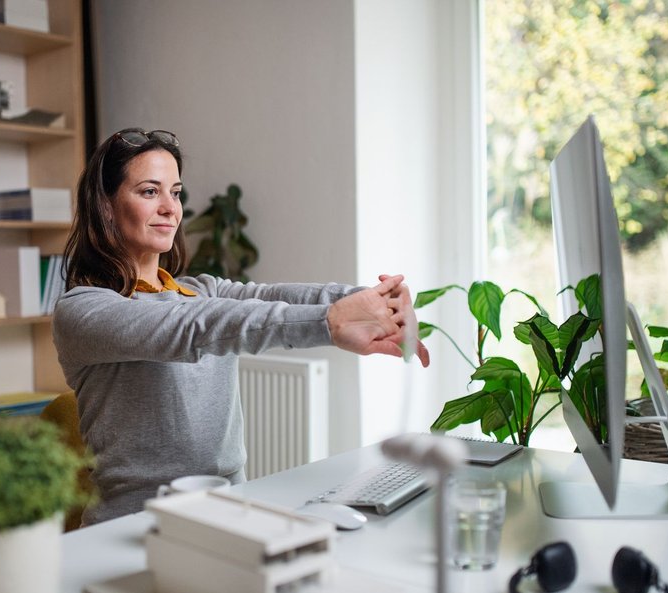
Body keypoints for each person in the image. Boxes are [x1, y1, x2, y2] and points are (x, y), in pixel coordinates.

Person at [53, 127, 430, 525]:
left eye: (176, 192)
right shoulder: (83, 311)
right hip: (134, 523)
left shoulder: (202, 289)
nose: (170, 208)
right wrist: (330, 322)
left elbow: (272, 297)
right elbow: (194, 327)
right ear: (106, 207)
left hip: (230, 510)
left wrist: (373, 299)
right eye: (150, 192)